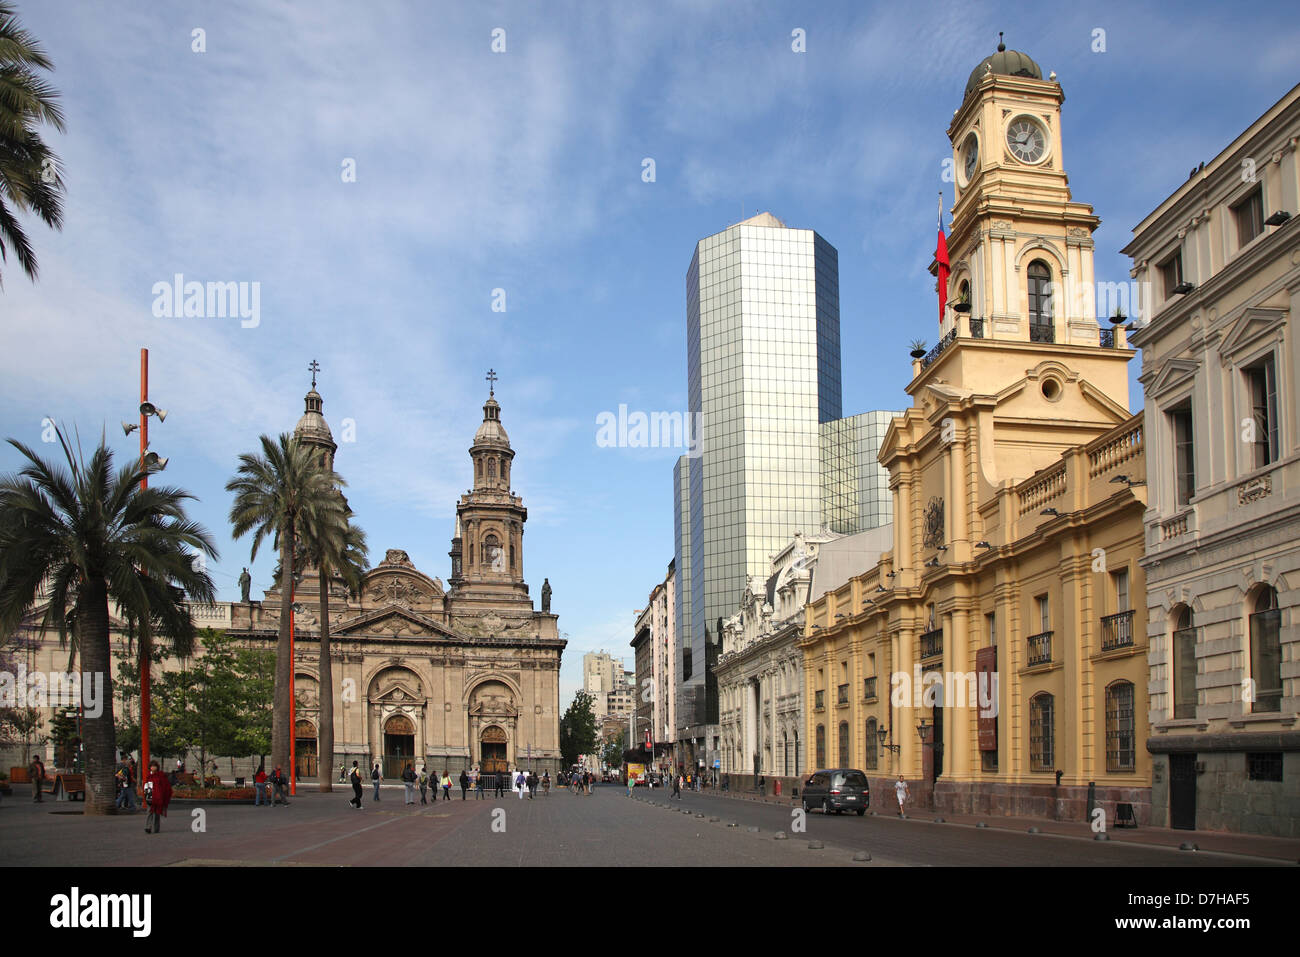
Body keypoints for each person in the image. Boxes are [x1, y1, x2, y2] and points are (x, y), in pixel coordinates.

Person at [143, 760, 172, 834]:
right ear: (150, 767)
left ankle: (156, 828)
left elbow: (165, 786)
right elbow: (146, 785)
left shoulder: (160, 775)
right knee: (150, 812)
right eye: (152, 766)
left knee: (157, 813)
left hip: (159, 797)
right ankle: (148, 827)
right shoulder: (149, 776)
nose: (153, 768)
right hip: (151, 796)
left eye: (154, 766)